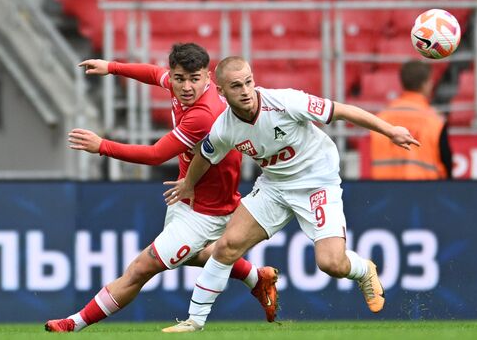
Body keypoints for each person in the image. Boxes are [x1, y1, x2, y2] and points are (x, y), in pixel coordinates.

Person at [161, 56, 420, 333]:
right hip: (275, 185)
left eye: (248, 82)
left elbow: (342, 111)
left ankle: (363, 269)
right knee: (227, 246)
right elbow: (206, 155)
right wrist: (188, 183)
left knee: (331, 263)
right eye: (236, 86)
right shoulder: (224, 127)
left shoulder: (285, 102)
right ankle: (194, 321)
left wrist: (390, 131)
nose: (246, 91)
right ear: (221, 91)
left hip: (316, 181)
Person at [44, 44, 278, 332]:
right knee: (192, 256)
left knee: (141, 269)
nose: (187, 87)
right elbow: (155, 74)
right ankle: (256, 277)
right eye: (180, 79)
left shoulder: (205, 113)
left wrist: (102, 146)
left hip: (206, 213)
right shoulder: (177, 84)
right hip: (187, 196)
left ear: (208, 79)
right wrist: (112, 67)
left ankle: (73, 324)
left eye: (195, 79)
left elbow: (155, 155)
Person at [369, 60, 453, 179]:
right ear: (425, 84)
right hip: (424, 191)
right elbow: (447, 165)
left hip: (385, 192)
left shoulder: (380, 118)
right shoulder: (436, 121)